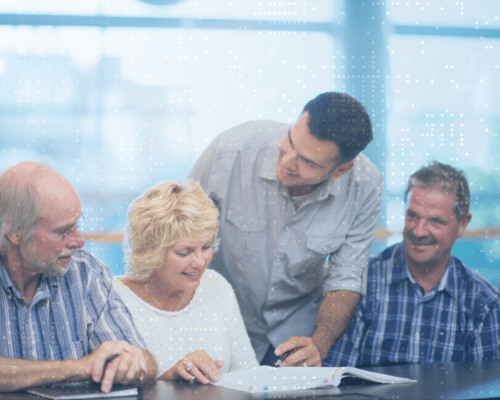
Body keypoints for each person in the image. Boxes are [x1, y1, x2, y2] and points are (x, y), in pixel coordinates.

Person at [189, 92, 383, 367]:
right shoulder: (230, 151)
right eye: (290, 142)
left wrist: (320, 342)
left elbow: (346, 277)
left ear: (341, 169)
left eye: (309, 163)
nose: (288, 162)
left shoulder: (366, 184)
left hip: (295, 335)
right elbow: (177, 234)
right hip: (216, 323)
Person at [324, 161, 500, 367]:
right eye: (412, 216)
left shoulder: (484, 303)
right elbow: (335, 379)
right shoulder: (361, 281)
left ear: (462, 224)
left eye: (435, 221)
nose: (418, 231)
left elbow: (485, 391)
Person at [0, 162, 157, 393]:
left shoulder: (86, 272)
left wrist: (132, 363)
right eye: (63, 231)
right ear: (13, 231)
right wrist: (78, 368)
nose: (79, 241)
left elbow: (146, 362)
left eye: (77, 225)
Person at [113, 180, 259, 384]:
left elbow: (249, 374)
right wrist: (169, 380)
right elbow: (113, 393)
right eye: (184, 252)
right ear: (151, 251)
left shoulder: (216, 285)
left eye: (206, 247)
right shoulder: (114, 299)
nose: (200, 262)